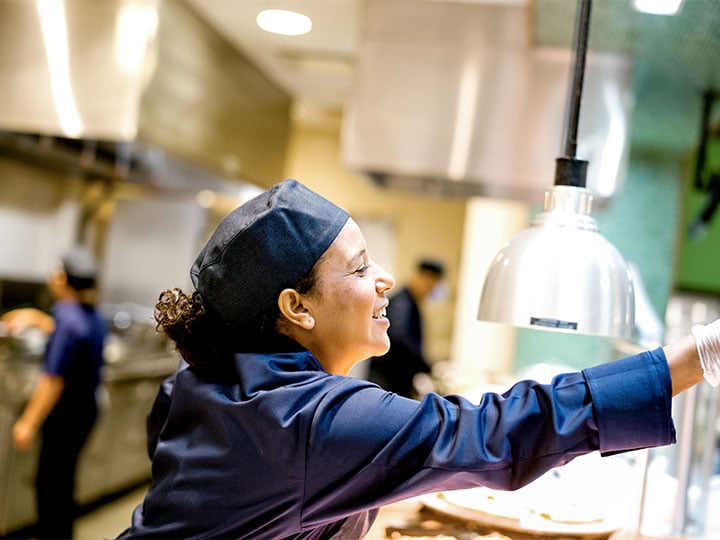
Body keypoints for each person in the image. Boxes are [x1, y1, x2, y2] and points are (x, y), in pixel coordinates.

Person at [117, 178, 717, 540]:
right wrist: (696, 356)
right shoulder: (307, 420)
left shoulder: (223, 379)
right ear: (296, 307)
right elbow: (494, 434)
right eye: (357, 267)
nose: (384, 279)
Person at [2, 246, 106, 539]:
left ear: (61, 278)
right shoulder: (90, 314)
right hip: (86, 412)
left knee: (50, 487)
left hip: (65, 418)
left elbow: (53, 379)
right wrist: (37, 319)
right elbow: (71, 333)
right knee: (64, 483)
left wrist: (28, 422)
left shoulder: (67, 318)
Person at [368, 259, 444, 398]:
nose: (431, 289)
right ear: (421, 277)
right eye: (431, 283)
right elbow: (400, 339)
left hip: (395, 381)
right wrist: (428, 367)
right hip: (387, 381)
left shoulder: (411, 303)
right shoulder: (402, 303)